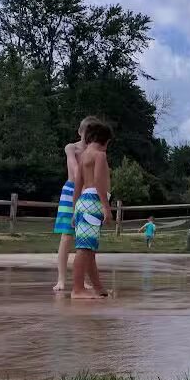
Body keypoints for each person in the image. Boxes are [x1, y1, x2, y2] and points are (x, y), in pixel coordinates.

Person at [53, 116, 97, 291]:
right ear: (80, 131)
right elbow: (75, 168)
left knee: (84, 239)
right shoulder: (71, 148)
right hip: (71, 190)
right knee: (66, 236)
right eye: (87, 132)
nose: (89, 137)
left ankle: (82, 279)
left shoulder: (95, 152)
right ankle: (61, 279)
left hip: (87, 192)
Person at [71, 120, 113, 299]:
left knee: (89, 250)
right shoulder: (99, 155)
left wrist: (74, 210)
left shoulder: (83, 156)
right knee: (85, 250)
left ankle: (98, 288)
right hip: (94, 202)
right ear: (105, 141)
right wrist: (106, 207)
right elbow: (99, 183)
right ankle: (77, 289)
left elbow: (77, 185)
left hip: (82, 202)